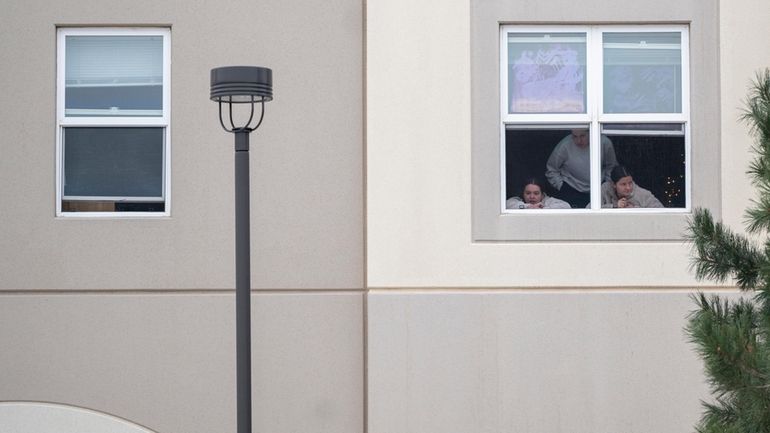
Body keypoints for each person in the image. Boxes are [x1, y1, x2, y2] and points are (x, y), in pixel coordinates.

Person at [545, 129, 617, 208]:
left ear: (591, 132)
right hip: (571, 189)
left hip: (598, 189)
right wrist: (562, 186)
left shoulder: (604, 143)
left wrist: (606, 186)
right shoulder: (564, 145)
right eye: (575, 136)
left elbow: (611, 167)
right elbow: (551, 170)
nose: (578, 141)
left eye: (582, 136)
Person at [506, 178, 571, 209]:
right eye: (528, 193)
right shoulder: (518, 200)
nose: (532, 196)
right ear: (523, 193)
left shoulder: (548, 201)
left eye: (536, 193)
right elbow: (506, 205)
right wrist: (528, 206)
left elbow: (566, 206)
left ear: (542, 195)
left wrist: (543, 208)